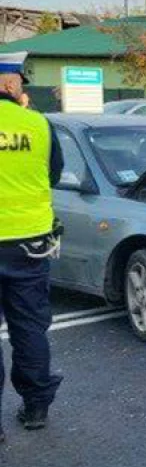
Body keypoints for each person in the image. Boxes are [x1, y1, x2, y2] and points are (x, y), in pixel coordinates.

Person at [0, 52, 64, 440]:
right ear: (10, 85)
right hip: (29, 244)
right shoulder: (38, 124)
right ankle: (36, 406)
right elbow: (53, 174)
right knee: (29, 327)